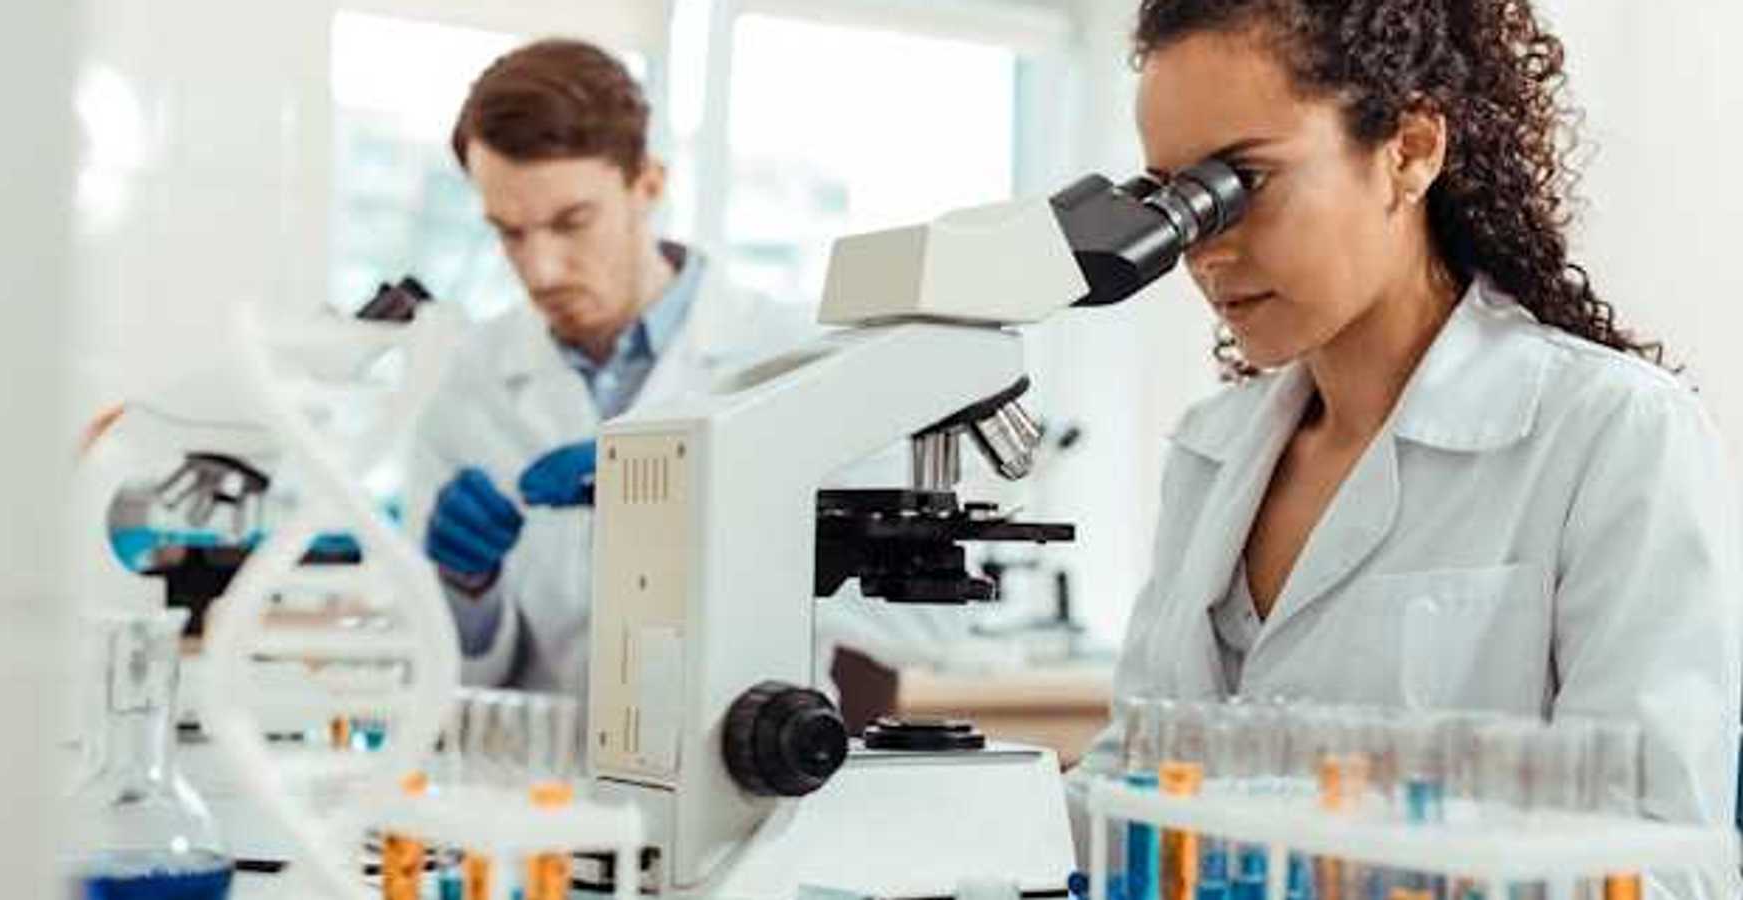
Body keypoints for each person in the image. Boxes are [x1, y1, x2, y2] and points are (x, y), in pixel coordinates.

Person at [1070, 0, 1740, 894]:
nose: (1204, 249)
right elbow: (1129, 798)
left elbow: (1664, 867)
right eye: (1172, 199)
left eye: (1243, 181)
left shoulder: (1611, 433)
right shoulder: (1211, 452)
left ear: (1411, 150)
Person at [408, 39, 964, 699]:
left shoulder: (801, 363)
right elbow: (445, 674)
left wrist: (695, 509)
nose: (541, 268)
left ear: (648, 184)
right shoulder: (468, 380)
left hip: (744, 788)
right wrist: (464, 589)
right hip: (539, 790)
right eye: (509, 232)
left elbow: (926, 626)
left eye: (572, 222)